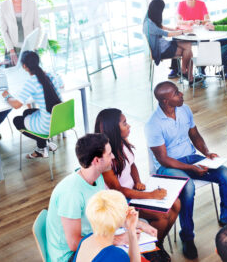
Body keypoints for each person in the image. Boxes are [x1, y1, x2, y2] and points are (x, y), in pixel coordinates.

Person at [145, 81, 227, 260]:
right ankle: (187, 237)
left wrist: (207, 153)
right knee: (188, 187)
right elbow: (163, 159)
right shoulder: (153, 124)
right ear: (165, 101)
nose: (181, 94)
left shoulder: (184, 109)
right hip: (167, 167)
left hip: (191, 157)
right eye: (176, 93)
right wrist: (190, 168)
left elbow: (194, 134)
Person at [45, 133, 157, 262]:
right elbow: (74, 243)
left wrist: (140, 224)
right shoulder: (71, 193)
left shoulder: (97, 177)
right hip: (71, 256)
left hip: (94, 238)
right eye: (109, 154)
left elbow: (108, 213)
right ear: (97, 160)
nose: (113, 156)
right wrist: (119, 239)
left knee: (141, 241)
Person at [95, 108, 180, 261]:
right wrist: (150, 195)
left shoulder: (122, 142)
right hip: (122, 202)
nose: (129, 126)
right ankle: (151, 251)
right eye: (124, 124)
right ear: (114, 129)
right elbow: (119, 190)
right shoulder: (106, 157)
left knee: (177, 204)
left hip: (133, 192)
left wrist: (138, 181)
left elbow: (132, 164)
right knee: (162, 216)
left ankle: (156, 245)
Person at [1, 50, 62, 158]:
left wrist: (7, 96)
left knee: (17, 120)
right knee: (27, 112)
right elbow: (62, 85)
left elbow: (16, 105)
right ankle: (44, 145)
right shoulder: (49, 75)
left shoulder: (31, 82)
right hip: (60, 120)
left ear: (24, 66)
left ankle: (41, 149)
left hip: (47, 126)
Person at [143, 0, 202, 86]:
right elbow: (167, 34)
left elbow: (162, 27)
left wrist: (174, 29)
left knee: (188, 47)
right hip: (161, 51)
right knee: (188, 49)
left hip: (164, 45)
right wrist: (182, 32)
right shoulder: (149, 25)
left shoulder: (150, 18)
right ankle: (185, 73)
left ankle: (187, 75)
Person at [72, 190, 141, 262]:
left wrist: (131, 229)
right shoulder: (117, 255)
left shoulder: (86, 239)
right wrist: (131, 230)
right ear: (124, 215)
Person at [0, 0, 40, 67]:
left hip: (30, 47)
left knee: (33, 75)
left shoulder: (31, 4)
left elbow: (37, 27)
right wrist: (12, 51)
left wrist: (34, 47)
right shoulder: (3, 6)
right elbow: (3, 30)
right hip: (13, 49)